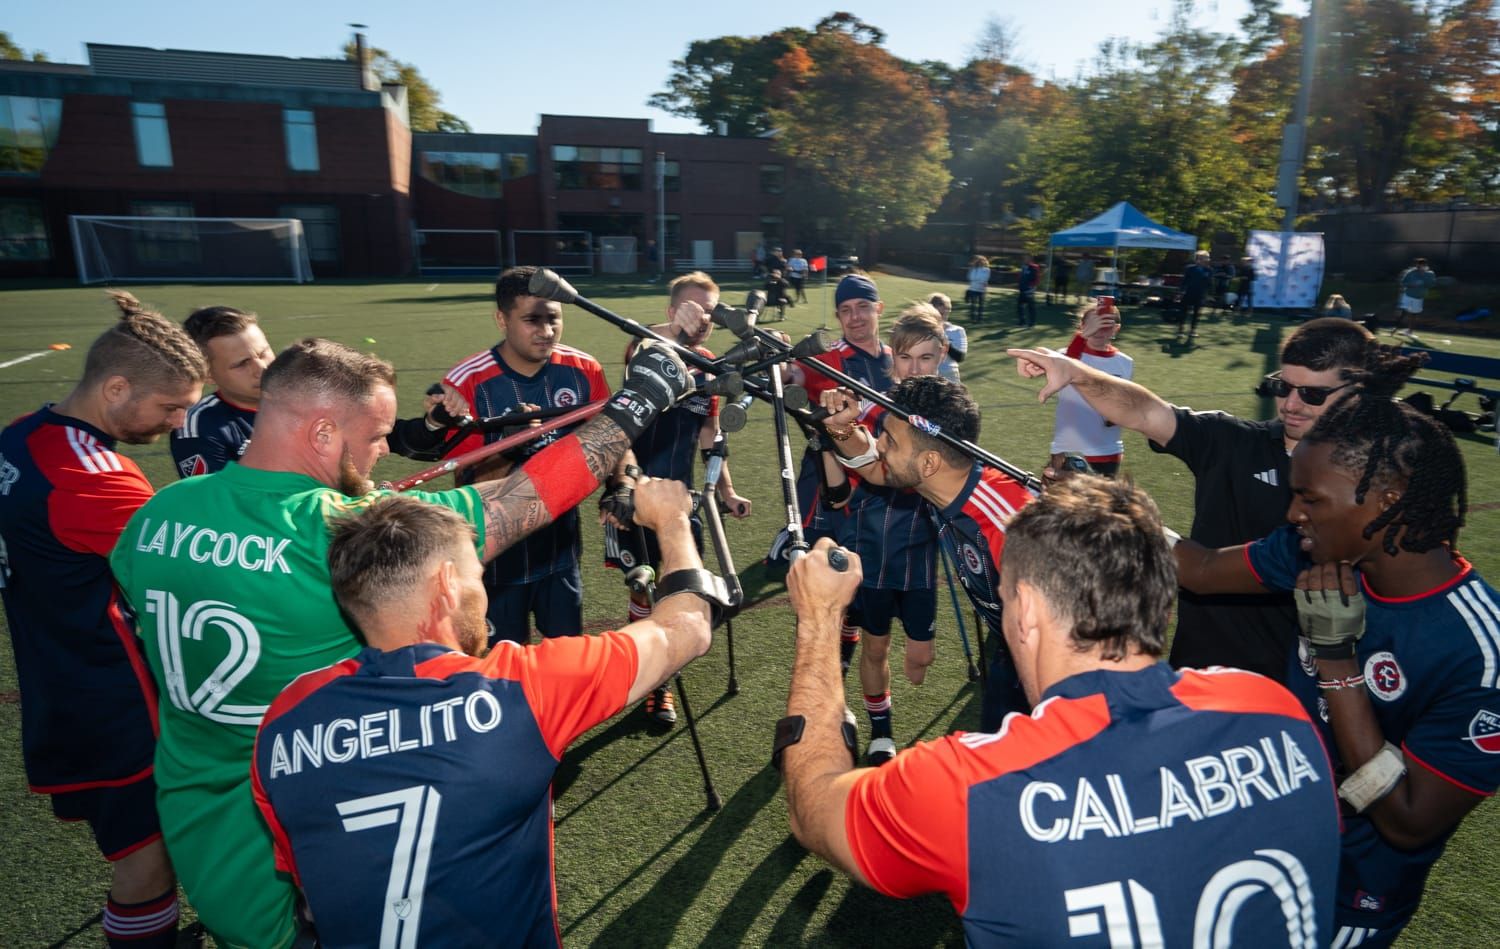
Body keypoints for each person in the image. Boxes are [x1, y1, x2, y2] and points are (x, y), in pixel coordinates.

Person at [109, 335, 693, 948]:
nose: (384, 448)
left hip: (201, 821)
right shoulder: (336, 533)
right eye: (375, 435)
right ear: (323, 434)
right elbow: (528, 500)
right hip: (318, 818)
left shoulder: (159, 512)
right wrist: (641, 400)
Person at [777, 479, 1341, 946]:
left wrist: (821, 618)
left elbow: (813, 808)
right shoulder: (1272, 708)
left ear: (1025, 611)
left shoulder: (970, 786)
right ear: (1161, 599)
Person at [252, 480, 713, 946]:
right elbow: (689, 627)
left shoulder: (283, 722)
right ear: (447, 585)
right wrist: (672, 522)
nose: (485, 593)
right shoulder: (519, 688)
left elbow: (308, 890)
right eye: (477, 576)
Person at [1171, 346, 1494, 946]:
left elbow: (1409, 821)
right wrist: (1115, 510)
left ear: (1388, 500)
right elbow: (1202, 568)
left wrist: (1337, 661)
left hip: (1345, 892)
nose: (1293, 513)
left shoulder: (1479, 653)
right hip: (1262, 843)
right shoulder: (1314, 550)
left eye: (1311, 499)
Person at [0, 291, 206, 948]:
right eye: (169, 405)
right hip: (113, 697)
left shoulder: (20, 436)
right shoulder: (95, 479)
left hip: (56, 677)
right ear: (116, 386)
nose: (177, 423)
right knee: (146, 859)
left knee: (139, 847)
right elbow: (195, 571)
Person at [1007, 317, 1375, 682]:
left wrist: (1107, 508)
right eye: (1283, 387)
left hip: (1293, 686)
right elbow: (1147, 411)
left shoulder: (1367, 488)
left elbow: (1204, 571)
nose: (1291, 404)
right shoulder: (1234, 442)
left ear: (1357, 393)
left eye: (1312, 394)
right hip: (1197, 669)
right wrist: (1077, 372)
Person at [818, 375, 1035, 730]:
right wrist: (842, 430)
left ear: (930, 463)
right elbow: (875, 469)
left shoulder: (1008, 526)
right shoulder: (945, 480)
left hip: (1048, 664)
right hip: (1012, 653)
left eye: (889, 440)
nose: (880, 446)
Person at [605, 271, 751, 725]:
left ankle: (658, 678)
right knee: (643, 587)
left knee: (678, 587)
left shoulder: (709, 362)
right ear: (671, 312)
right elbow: (639, 352)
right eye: (691, 308)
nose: (702, 317)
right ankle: (644, 679)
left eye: (710, 310)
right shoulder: (649, 348)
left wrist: (725, 491)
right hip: (634, 494)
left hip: (683, 500)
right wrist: (672, 333)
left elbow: (709, 432)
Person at [439, 266, 611, 645]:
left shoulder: (584, 370)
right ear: (501, 319)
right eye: (532, 320)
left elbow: (611, 438)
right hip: (499, 563)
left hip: (561, 553)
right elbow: (466, 486)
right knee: (504, 671)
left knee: (566, 661)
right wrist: (511, 444)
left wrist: (622, 482)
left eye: (554, 319)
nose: (546, 331)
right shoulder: (467, 382)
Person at [816, 306, 944, 765]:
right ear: (893, 361)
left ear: (942, 356)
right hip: (873, 550)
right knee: (876, 647)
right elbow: (859, 460)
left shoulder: (954, 412)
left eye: (926, 358)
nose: (915, 369)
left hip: (921, 556)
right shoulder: (871, 408)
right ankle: (881, 732)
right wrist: (840, 427)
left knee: (920, 662)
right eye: (906, 359)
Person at [778, 273, 894, 555]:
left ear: (878, 308)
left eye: (862, 306)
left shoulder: (896, 358)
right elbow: (793, 374)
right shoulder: (829, 358)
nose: (855, 317)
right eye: (846, 310)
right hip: (833, 478)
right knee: (817, 564)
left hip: (884, 478)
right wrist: (780, 363)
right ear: (838, 316)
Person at [171, 305, 274, 478]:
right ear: (208, 375)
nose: (262, 368)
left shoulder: (310, 396)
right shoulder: (200, 427)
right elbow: (216, 501)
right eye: (242, 364)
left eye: (263, 353)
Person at [1047, 298, 1132, 479]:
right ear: (1082, 326)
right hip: (1069, 445)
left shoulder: (1125, 363)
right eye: (1094, 325)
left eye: (1106, 325)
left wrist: (1117, 415)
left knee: (1100, 503)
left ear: (1116, 328)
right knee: (1058, 501)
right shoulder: (1066, 354)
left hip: (1107, 449)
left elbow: (1123, 405)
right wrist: (1082, 337)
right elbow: (1065, 365)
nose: (1100, 331)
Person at [927, 292, 966, 383]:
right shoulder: (921, 330)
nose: (944, 315)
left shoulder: (957, 330)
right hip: (926, 376)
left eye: (947, 310)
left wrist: (942, 338)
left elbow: (959, 357)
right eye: (940, 312)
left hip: (949, 377)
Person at [1393, 257, 1437, 337]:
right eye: (1418, 265)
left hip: (1419, 297)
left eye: (1421, 265)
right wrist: (1411, 284)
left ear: (1425, 265)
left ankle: (1409, 331)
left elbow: (1432, 284)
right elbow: (1403, 283)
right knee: (1403, 311)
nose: (1419, 266)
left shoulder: (1430, 274)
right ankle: (1395, 328)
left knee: (1414, 314)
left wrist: (1424, 282)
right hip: (1408, 295)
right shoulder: (1411, 273)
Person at [1178, 250, 1213, 341]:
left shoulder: (1209, 270)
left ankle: (1192, 330)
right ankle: (1181, 330)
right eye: (1198, 258)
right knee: (1184, 312)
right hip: (1188, 293)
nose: (1200, 260)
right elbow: (1184, 281)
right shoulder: (1190, 268)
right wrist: (1181, 292)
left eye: (1202, 258)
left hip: (1200, 294)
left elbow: (1209, 284)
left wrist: (1208, 294)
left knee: (1197, 313)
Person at [1016, 254, 1042, 328]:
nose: (1024, 260)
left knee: (1031, 308)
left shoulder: (1034, 267)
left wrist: (1032, 288)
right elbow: (1021, 277)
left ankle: (1032, 323)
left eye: (1026, 259)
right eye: (1024, 258)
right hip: (1022, 289)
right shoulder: (1023, 267)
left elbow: (1037, 279)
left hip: (1029, 290)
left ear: (1030, 259)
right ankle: (1022, 322)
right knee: (1020, 307)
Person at [965, 255, 990, 322]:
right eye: (979, 261)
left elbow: (985, 279)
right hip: (973, 289)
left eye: (982, 261)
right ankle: (972, 318)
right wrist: (979, 280)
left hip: (982, 290)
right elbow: (971, 278)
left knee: (981, 305)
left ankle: (980, 319)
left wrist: (978, 280)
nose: (980, 262)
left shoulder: (987, 270)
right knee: (973, 305)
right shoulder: (973, 269)